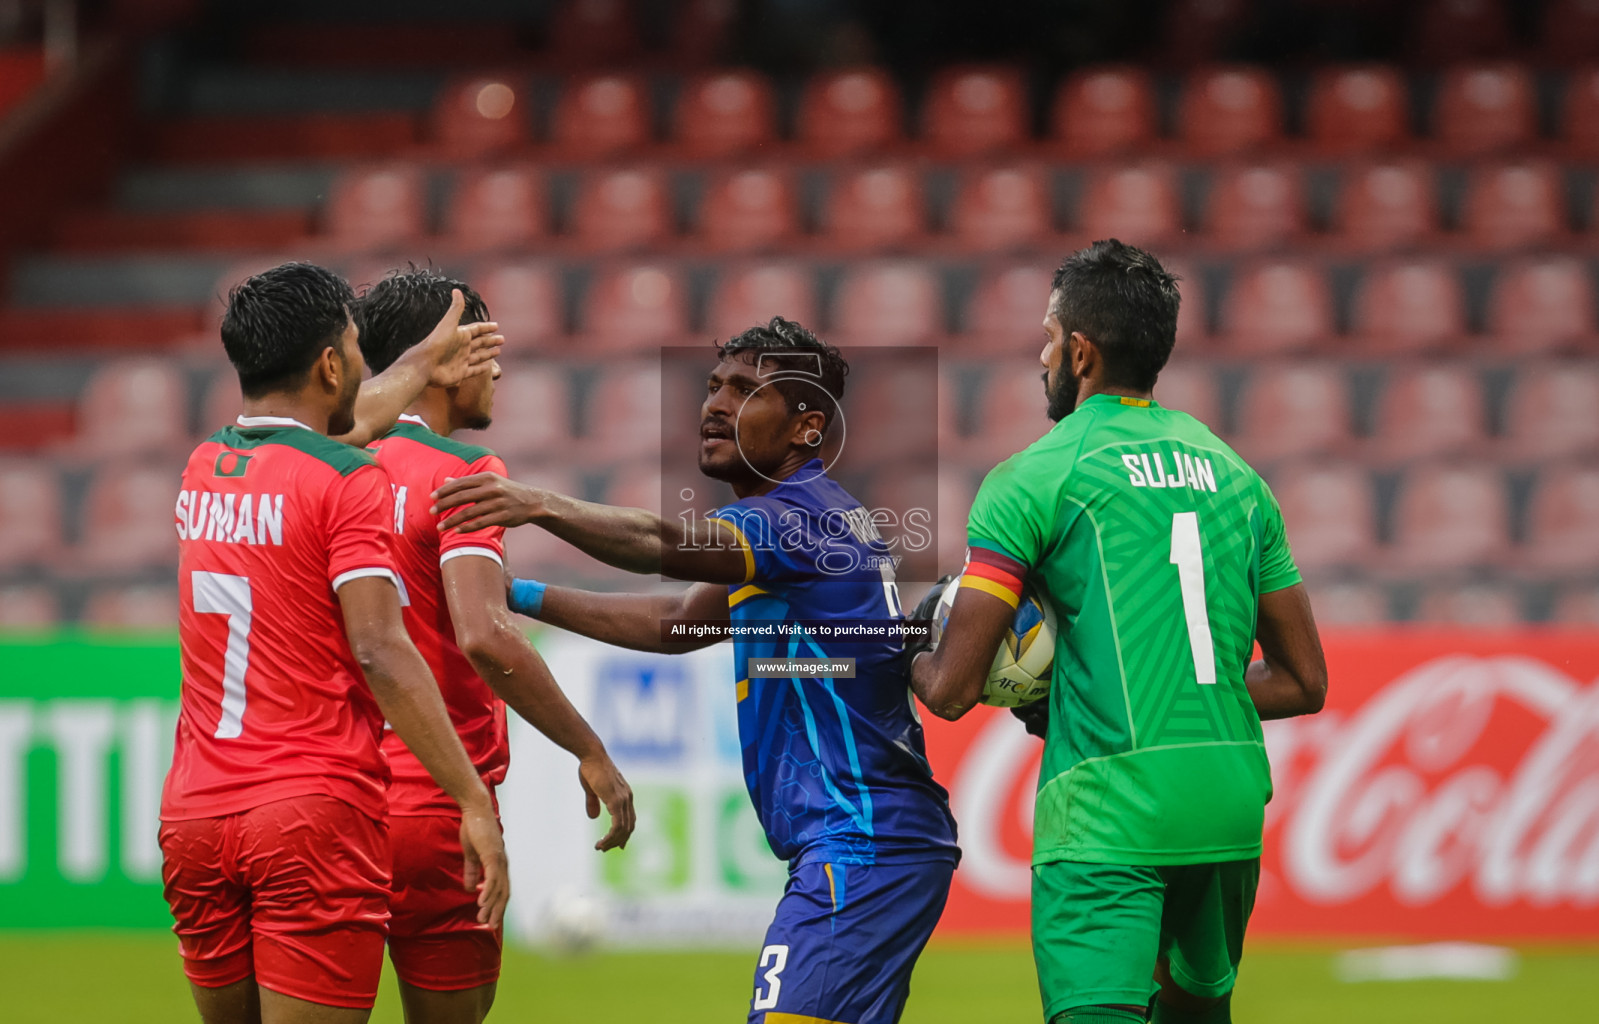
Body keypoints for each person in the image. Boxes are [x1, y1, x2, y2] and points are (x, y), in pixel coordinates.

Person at [429, 318, 960, 1024]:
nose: (714, 405)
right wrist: (517, 595)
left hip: (861, 842)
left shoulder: (801, 521)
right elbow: (680, 624)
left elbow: (660, 542)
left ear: (806, 428)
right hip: (874, 841)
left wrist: (542, 503)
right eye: (713, 386)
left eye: (745, 390)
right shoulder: (798, 526)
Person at [908, 240, 1328, 1024]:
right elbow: (1305, 682)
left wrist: (898, 639)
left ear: (1079, 351)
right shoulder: (1236, 474)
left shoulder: (1033, 477)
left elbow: (952, 690)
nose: (1041, 356)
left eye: (1046, 337)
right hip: (1230, 803)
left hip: (1108, 812)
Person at [162, 261, 510, 1024]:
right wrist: (468, 797)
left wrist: (418, 362)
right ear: (329, 363)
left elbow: (336, 429)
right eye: (355, 348)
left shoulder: (203, 467)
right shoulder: (346, 479)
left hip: (194, 816)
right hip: (308, 815)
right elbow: (381, 649)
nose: (365, 364)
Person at [356, 267, 636, 1024]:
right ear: (441, 356)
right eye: (484, 346)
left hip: (332, 806)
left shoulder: (320, 470)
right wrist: (588, 749)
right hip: (435, 810)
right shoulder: (462, 474)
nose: (500, 368)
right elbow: (483, 635)